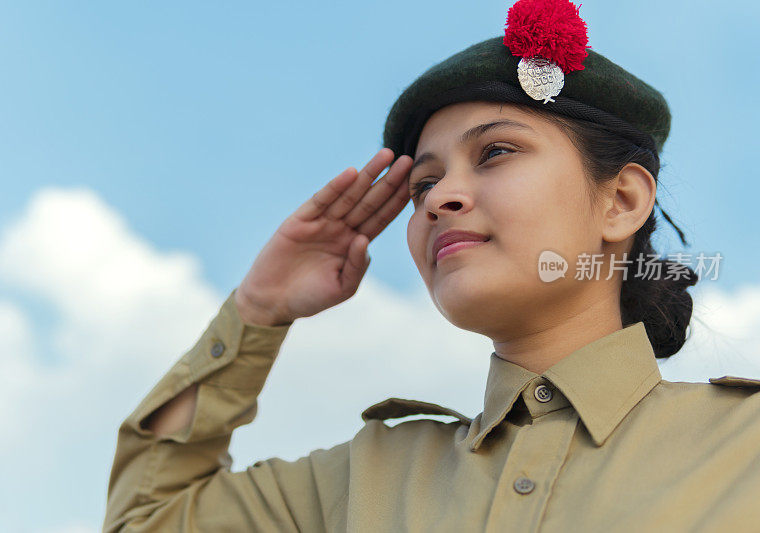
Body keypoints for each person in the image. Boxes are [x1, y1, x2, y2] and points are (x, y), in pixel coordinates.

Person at [103, 0, 760, 531]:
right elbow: (146, 520)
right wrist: (256, 311)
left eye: (497, 151)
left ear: (621, 200)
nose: (439, 198)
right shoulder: (361, 479)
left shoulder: (743, 445)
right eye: (422, 185)